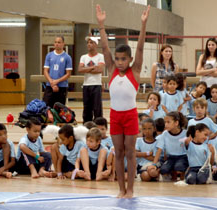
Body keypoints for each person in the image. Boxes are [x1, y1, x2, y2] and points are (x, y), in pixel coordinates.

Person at [96, 4, 150, 198]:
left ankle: (131, 189)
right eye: (117, 58)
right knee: (118, 152)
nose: (119, 62)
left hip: (130, 115)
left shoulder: (134, 71)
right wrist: (101, 25)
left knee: (130, 153)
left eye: (123, 59)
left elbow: (141, 46)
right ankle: (120, 189)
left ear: (130, 59)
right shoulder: (110, 68)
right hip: (115, 115)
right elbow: (104, 47)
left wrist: (143, 25)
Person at [150, 112, 188, 181]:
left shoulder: (185, 133)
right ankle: (171, 174)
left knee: (179, 167)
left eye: (168, 122)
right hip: (170, 157)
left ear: (176, 123)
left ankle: (183, 176)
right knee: (164, 170)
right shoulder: (165, 134)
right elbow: (159, 149)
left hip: (182, 157)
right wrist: (154, 164)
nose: (166, 124)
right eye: (165, 122)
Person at [78, 36, 105, 123]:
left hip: (96, 85)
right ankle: (86, 127)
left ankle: (98, 127)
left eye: (91, 42)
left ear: (96, 45)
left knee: (97, 109)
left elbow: (100, 70)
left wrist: (86, 69)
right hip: (86, 85)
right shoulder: (83, 57)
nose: (89, 44)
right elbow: (80, 70)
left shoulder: (100, 56)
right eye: (88, 43)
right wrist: (93, 67)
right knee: (87, 108)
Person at [43, 36, 72, 108]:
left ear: (63, 44)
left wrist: (57, 81)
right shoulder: (49, 55)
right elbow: (45, 71)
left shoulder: (67, 57)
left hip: (62, 87)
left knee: (60, 108)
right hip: (50, 86)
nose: (57, 44)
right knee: (47, 107)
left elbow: (68, 74)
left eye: (59, 42)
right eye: (55, 42)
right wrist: (52, 82)